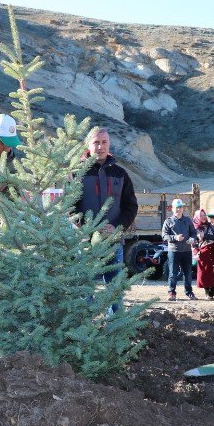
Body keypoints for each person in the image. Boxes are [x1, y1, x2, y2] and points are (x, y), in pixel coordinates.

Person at [74, 127, 138, 311]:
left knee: (114, 290)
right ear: (88, 145)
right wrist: (86, 227)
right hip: (85, 242)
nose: (100, 147)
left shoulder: (120, 174)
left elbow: (131, 206)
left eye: (104, 142)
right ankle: (85, 329)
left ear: (109, 144)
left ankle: (113, 329)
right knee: (84, 289)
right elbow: (70, 206)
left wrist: (117, 227)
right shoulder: (77, 172)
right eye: (96, 142)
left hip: (113, 241)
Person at [162, 198, 197, 301]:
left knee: (188, 273)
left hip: (186, 251)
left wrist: (192, 239)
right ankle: (171, 293)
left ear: (183, 208)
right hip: (174, 251)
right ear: (173, 209)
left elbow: (194, 233)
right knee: (173, 273)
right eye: (177, 208)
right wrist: (175, 238)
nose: (179, 210)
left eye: (180, 207)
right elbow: (164, 235)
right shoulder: (168, 221)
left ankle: (189, 292)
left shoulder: (188, 220)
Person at [195, 208, 214, 299]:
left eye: (204, 215)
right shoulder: (195, 228)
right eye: (201, 215)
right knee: (205, 273)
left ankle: (212, 293)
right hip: (203, 252)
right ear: (197, 217)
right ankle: (207, 293)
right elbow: (194, 243)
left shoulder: (212, 225)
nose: (203, 217)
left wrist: (205, 236)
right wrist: (196, 252)